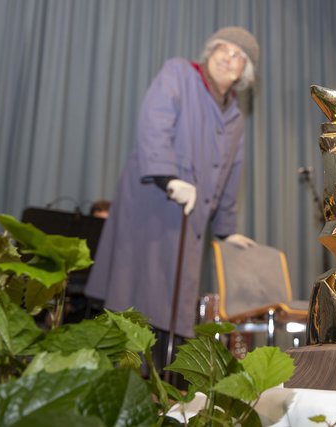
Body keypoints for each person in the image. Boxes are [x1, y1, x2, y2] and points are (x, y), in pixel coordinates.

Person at [84, 26, 259, 377]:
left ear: (245, 72)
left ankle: (161, 392)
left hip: (190, 225)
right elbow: (155, 123)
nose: (228, 58)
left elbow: (230, 172)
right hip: (153, 206)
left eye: (238, 55)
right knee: (135, 297)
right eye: (223, 49)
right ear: (209, 52)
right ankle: (122, 383)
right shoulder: (179, 73)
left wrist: (225, 230)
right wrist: (168, 177)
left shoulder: (235, 116)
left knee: (172, 308)